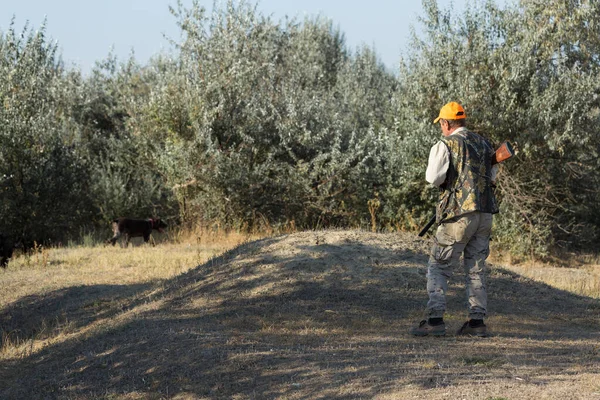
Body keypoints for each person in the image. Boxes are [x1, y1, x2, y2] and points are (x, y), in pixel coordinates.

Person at [411, 101, 499, 337]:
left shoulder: (445, 144)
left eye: (441, 124)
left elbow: (433, 177)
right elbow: (492, 176)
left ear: (446, 122)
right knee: (476, 268)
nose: (441, 127)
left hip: (458, 217)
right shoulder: (483, 143)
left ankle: (435, 319)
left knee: (439, 266)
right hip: (485, 214)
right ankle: (476, 322)